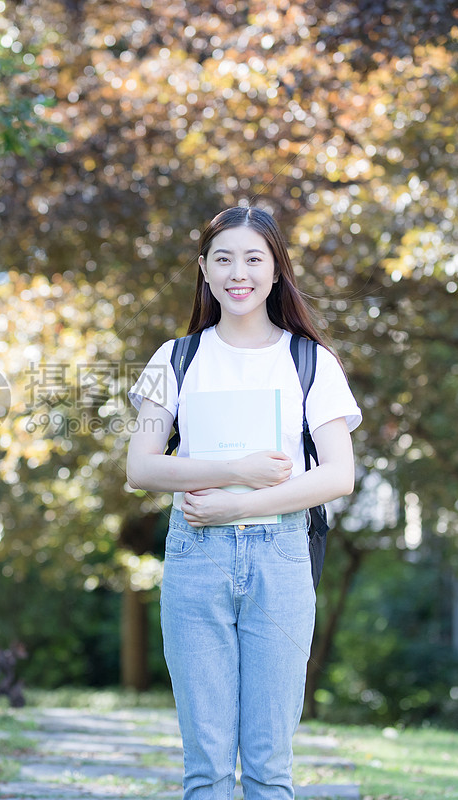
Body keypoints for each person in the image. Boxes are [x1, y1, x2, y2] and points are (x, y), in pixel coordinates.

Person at [125, 206, 362, 800]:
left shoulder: (312, 361)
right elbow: (141, 466)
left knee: (267, 769)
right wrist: (235, 469)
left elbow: (339, 475)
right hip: (195, 560)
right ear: (204, 270)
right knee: (204, 768)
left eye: (254, 259)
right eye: (224, 259)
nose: (239, 273)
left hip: (280, 561)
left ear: (276, 270)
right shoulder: (173, 358)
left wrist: (237, 503)